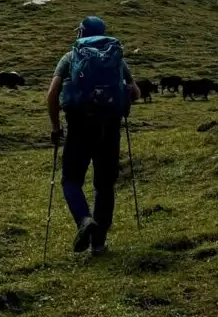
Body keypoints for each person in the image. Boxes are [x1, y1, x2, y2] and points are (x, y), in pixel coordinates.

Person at [47, 15, 141, 255]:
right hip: (109, 128)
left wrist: (56, 126)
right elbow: (136, 93)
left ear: (81, 33)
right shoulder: (115, 58)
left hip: (79, 126)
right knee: (104, 185)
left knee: (71, 180)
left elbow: (52, 94)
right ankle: (98, 245)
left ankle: (83, 220)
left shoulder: (70, 57)